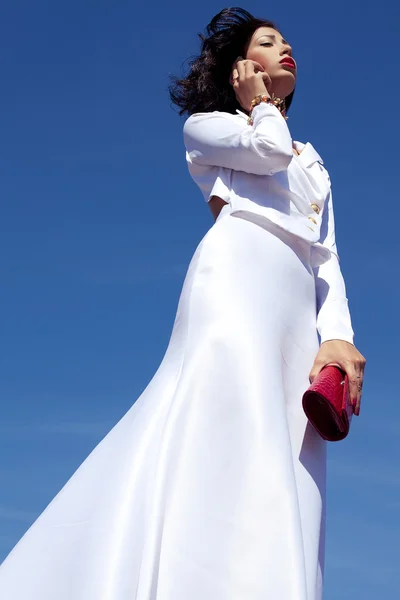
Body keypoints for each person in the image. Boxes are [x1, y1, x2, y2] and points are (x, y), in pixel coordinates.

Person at [0, 7, 366, 600]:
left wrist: (339, 336)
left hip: (298, 307)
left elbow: (328, 256)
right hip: (238, 276)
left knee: (296, 457)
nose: (287, 47)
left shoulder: (313, 160)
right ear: (241, 69)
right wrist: (259, 105)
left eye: (287, 41)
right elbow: (267, 151)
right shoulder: (208, 127)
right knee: (227, 409)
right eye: (268, 43)